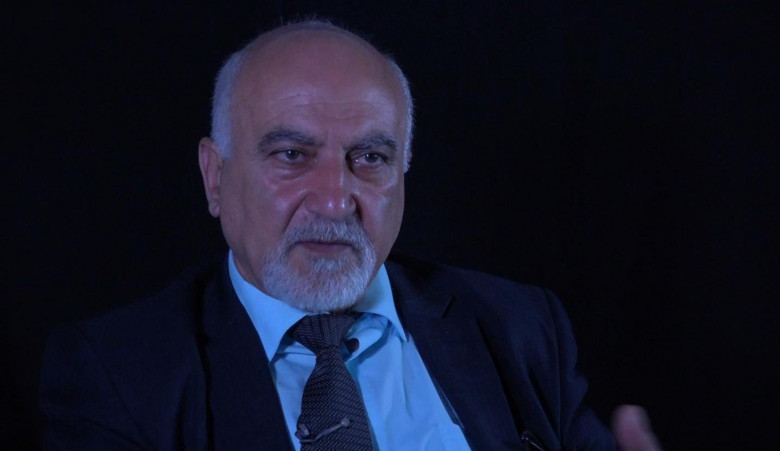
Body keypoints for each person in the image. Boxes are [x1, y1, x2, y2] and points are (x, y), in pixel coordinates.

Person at [40, 20, 661, 450]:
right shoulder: (121, 377)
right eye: (291, 155)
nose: (336, 200)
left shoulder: (519, 328)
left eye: (369, 158)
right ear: (215, 176)